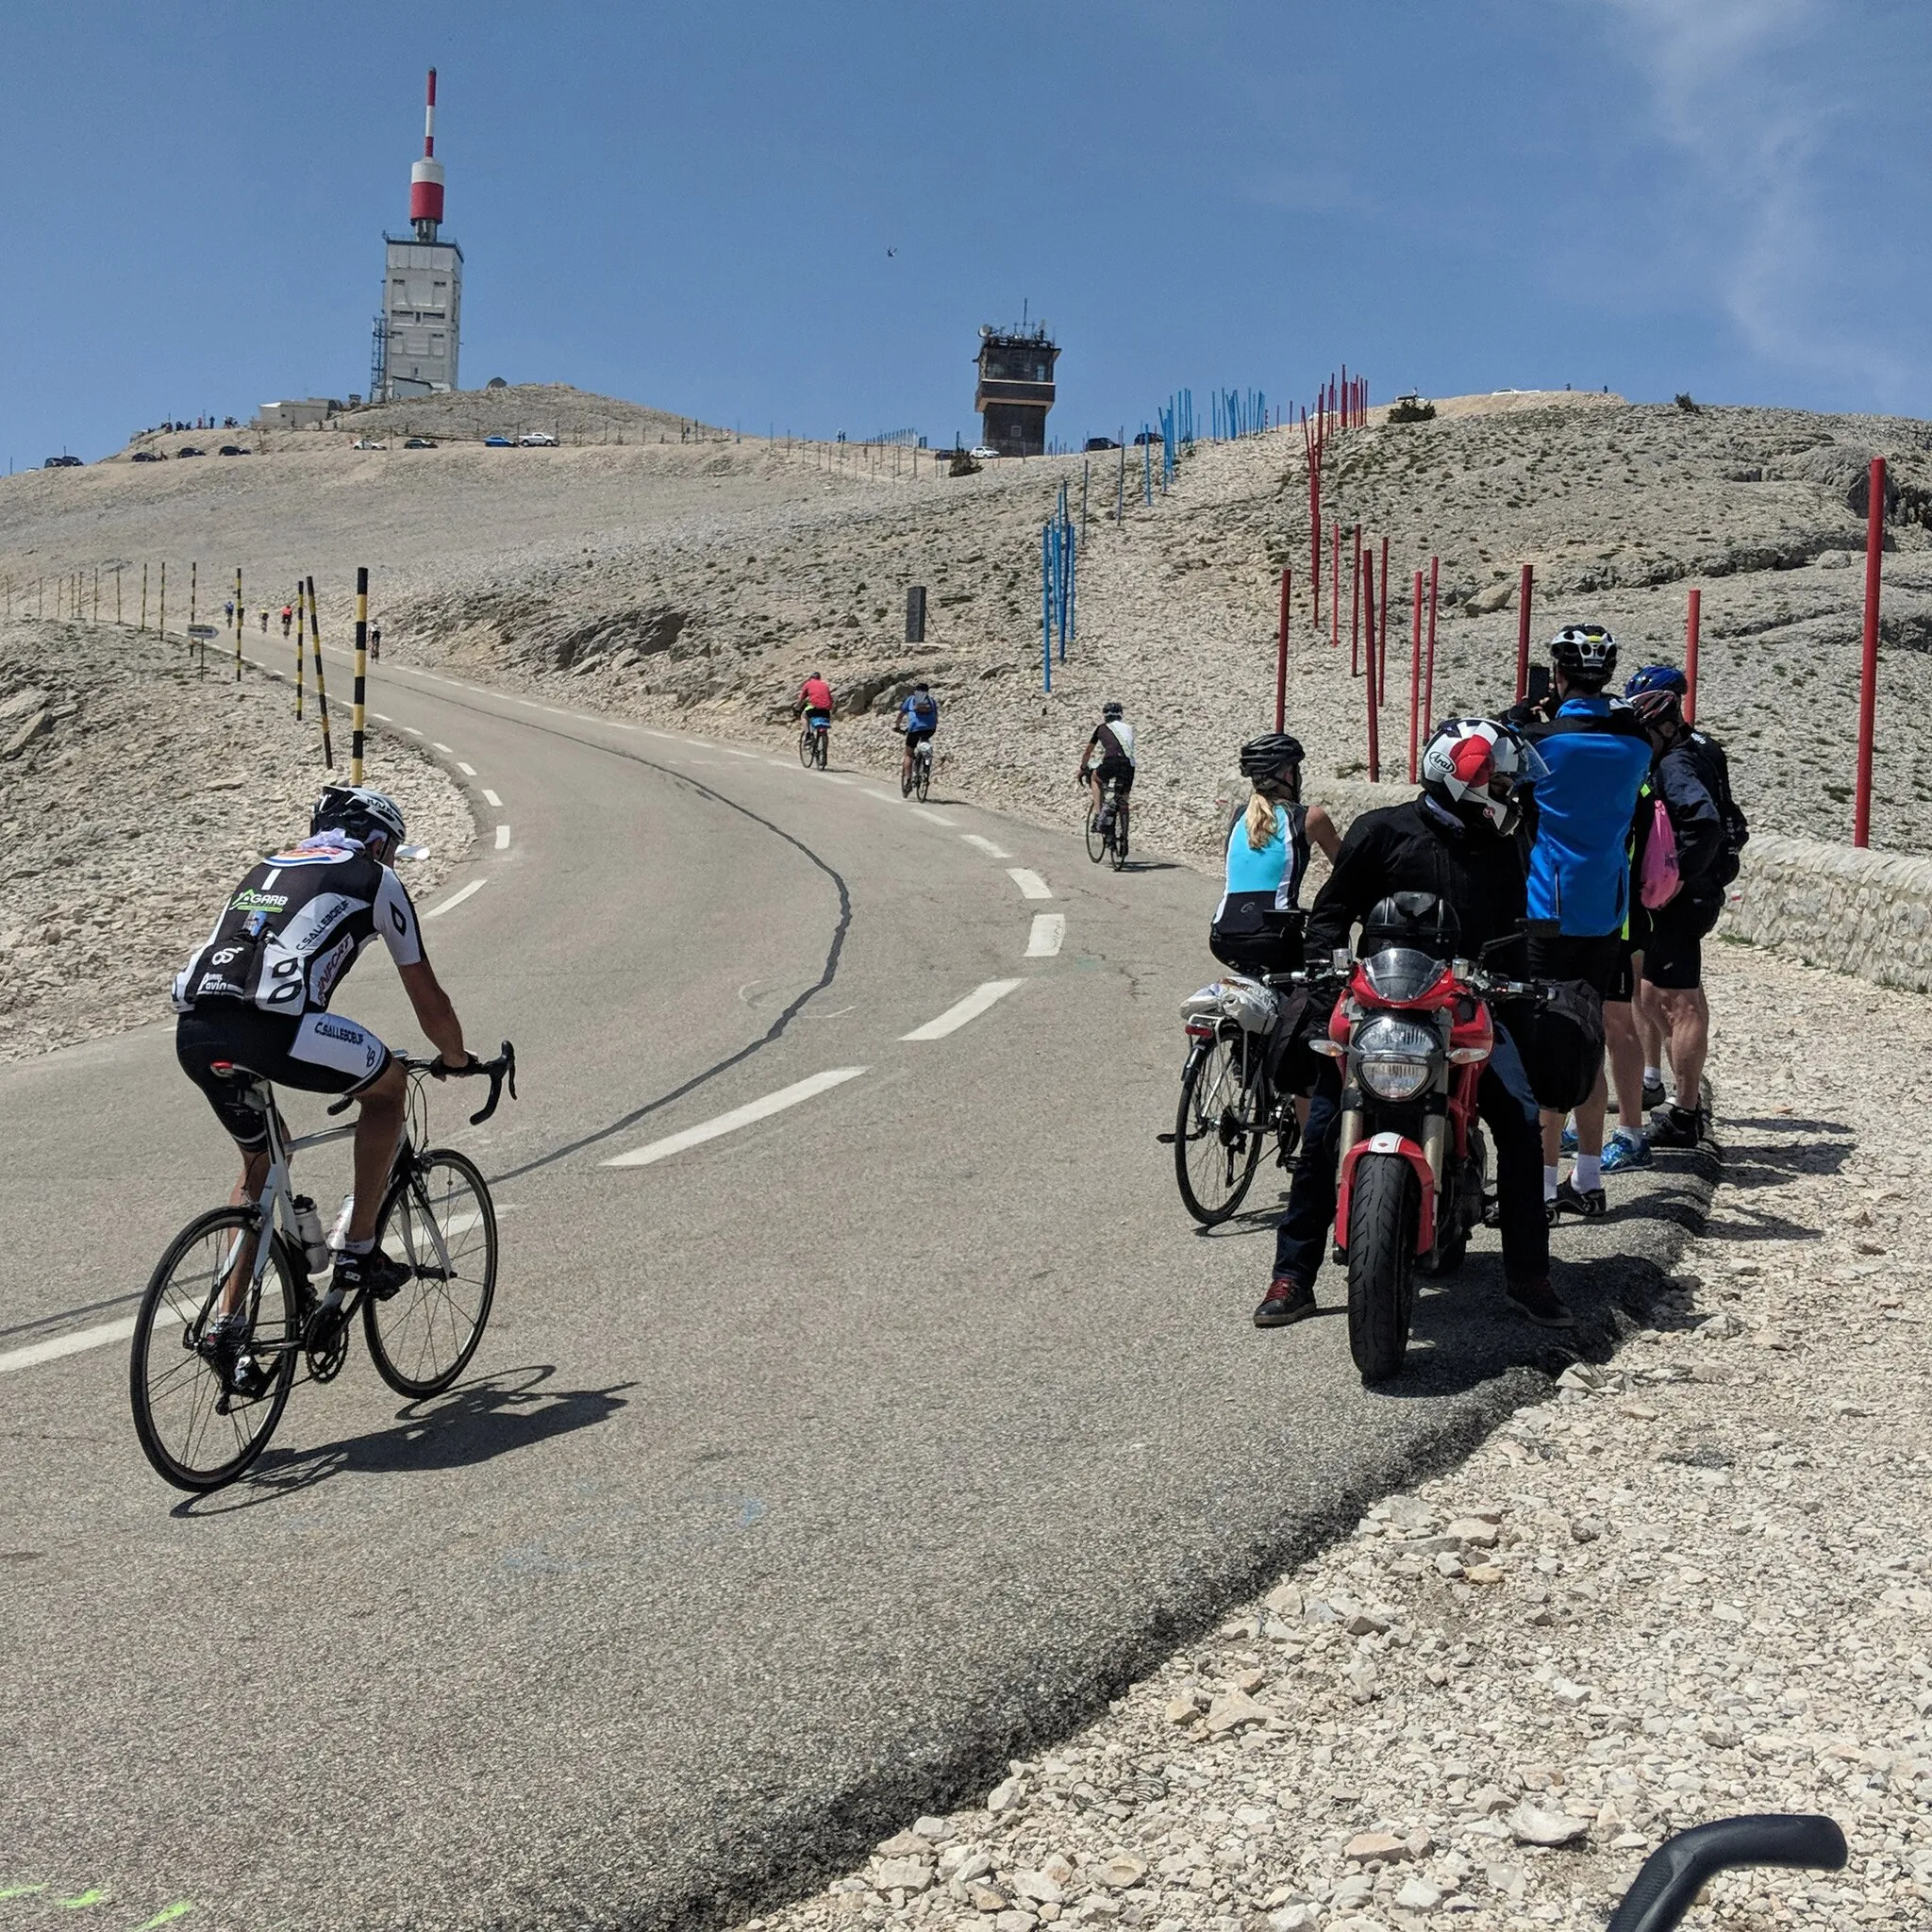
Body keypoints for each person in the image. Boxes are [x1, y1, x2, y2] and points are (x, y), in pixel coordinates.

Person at [1255, 718, 1571, 1331]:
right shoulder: (1382, 832)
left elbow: (1524, 930)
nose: (1510, 793)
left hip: (1469, 1007)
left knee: (1522, 1120)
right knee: (1322, 1130)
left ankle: (1530, 1276)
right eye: (1500, 781)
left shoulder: (1508, 843)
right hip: (1379, 1006)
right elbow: (1331, 915)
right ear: (1465, 779)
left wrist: (1530, 983)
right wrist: (1324, 967)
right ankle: (1292, 1276)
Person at [172, 785, 476, 1392]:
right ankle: (360, 1246)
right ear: (380, 840)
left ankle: (226, 1327)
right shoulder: (376, 879)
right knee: (388, 1088)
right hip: (276, 1027)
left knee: (263, 1154)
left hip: (196, 1029)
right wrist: (456, 1057)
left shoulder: (265, 867)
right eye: (390, 849)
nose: (390, 861)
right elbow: (427, 995)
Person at [1506, 625, 1655, 1220]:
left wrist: (1525, 711)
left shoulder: (1540, 741)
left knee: (1547, 1045)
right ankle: (1587, 1180)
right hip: (1607, 911)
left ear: (1559, 676)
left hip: (1549, 908)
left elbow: (1499, 772)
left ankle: (1540, 1187)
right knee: (1589, 1038)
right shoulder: (1636, 744)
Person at [1625, 669, 1729, 1148]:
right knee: (1654, 993)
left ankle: (1686, 1114)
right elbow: (1732, 821)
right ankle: (1682, 1103)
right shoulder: (1705, 747)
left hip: (1684, 895)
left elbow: (1706, 822)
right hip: (1699, 890)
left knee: (1677, 1001)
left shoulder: (1675, 766)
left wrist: (1677, 876)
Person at [1209, 733, 1340, 976]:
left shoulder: (1239, 817)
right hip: (1273, 937)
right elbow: (1349, 869)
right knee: (1322, 986)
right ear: (1287, 774)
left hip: (1222, 935)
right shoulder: (1309, 818)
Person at [1077, 701, 1137, 840]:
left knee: (1095, 778)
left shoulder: (1102, 728)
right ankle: (1124, 836)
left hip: (1111, 761)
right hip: (1129, 764)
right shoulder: (1129, 728)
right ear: (1120, 715)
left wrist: (1082, 768)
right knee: (1123, 797)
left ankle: (1098, 815)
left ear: (1105, 716)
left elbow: (1088, 752)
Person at [896, 680, 940, 790]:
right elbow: (936, 717)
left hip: (914, 729)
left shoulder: (911, 699)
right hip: (930, 728)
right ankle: (925, 767)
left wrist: (897, 726)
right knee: (924, 741)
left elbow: (901, 715)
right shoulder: (931, 701)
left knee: (909, 754)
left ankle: (909, 781)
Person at [797, 671, 834, 741]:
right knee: (823, 728)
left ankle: (808, 735)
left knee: (804, 715)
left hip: (815, 708)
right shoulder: (825, 685)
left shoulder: (808, 684)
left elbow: (801, 698)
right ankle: (824, 748)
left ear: (811, 678)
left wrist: (797, 708)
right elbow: (831, 699)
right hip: (826, 710)